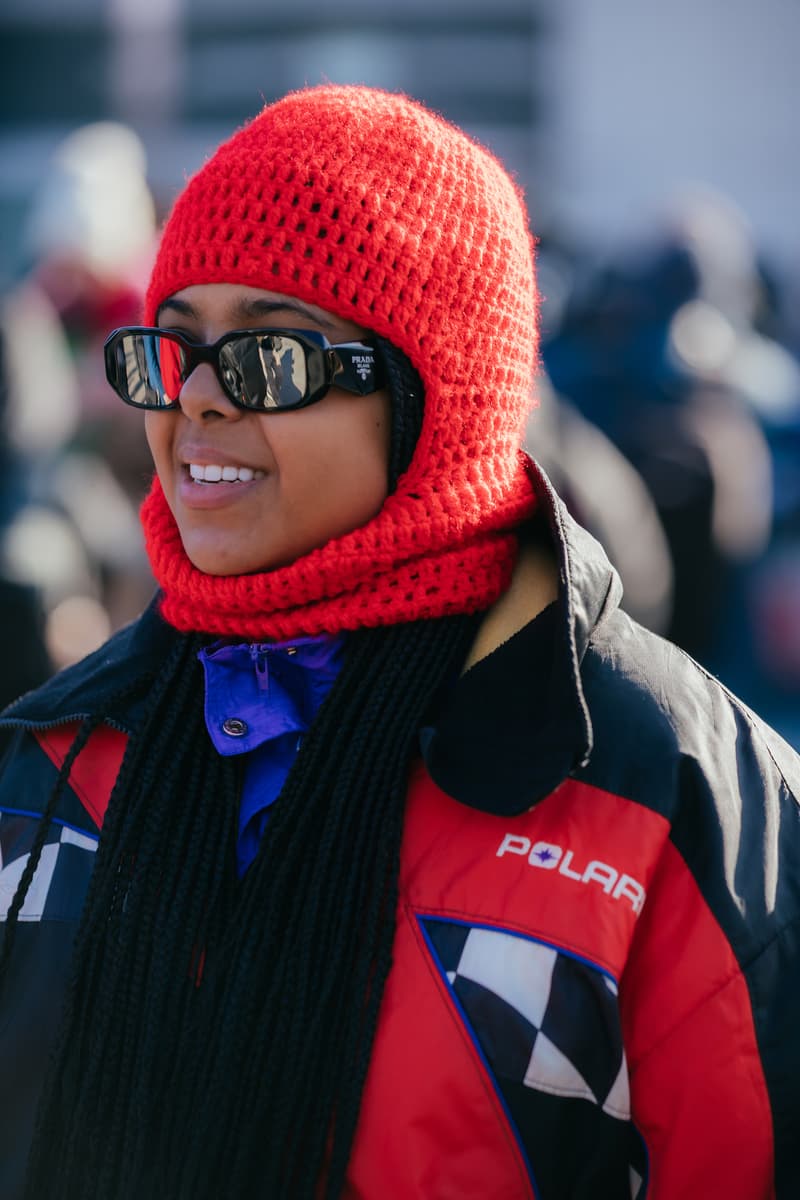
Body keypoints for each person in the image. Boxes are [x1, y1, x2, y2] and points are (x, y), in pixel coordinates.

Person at [0, 86, 797, 1200]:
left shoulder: (673, 800)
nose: (199, 407)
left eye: (270, 360)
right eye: (171, 354)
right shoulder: (53, 766)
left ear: (440, 401)